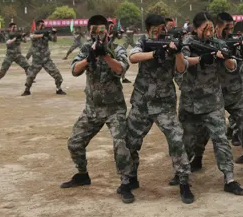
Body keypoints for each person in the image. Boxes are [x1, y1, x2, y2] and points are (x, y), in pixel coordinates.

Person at [60, 15, 135, 204]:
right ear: (89, 32)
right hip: (92, 109)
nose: (99, 34)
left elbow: (121, 70)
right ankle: (82, 174)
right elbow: (75, 70)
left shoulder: (117, 49)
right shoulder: (86, 48)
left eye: (102, 30)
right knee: (74, 142)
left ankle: (126, 183)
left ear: (108, 31)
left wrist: (105, 55)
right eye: (95, 31)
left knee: (121, 145)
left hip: (114, 109)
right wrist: (90, 57)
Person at [189, 12, 243, 180]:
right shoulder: (196, 43)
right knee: (203, 130)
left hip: (234, 91)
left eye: (231, 28)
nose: (229, 32)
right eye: (226, 28)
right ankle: (197, 158)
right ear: (216, 26)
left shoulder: (234, 42)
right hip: (210, 94)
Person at [126, 14, 194, 204]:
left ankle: (184, 183)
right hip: (142, 102)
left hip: (164, 103)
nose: (160, 33)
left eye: (162, 29)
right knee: (130, 142)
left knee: (176, 140)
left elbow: (181, 69)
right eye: (155, 30)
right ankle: (129, 180)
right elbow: (133, 57)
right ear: (148, 30)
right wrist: (155, 53)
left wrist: (177, 51)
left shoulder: (172, 42)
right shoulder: (143, 41)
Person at [179, 12, 243, 195]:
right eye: (204, 29)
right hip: (190, 102)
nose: (208, 33)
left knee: (221, 140)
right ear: (195, 28)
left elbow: (232, 66)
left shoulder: (218, 44)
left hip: (213, 101)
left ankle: (229, 178)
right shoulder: (186, 43)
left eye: (210, 29)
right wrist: (201, 59)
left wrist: (225, 58)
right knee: (186, 142)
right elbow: (182, 63)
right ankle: (182, 178)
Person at [22, 20, 66, 96]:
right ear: (37, 26)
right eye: (41, 25)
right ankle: (27, 90)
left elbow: (54, 40)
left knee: (57, 75)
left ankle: (59, 89)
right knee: (30, 76)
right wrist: (43, 34)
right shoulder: (34, 33)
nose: (43, 26)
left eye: (44, 25)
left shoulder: (47, 34)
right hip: (36, 60)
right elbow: (32, 37)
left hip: (46, 60)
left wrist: (54, 33)